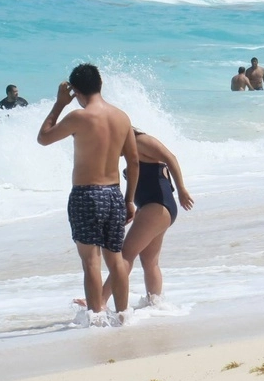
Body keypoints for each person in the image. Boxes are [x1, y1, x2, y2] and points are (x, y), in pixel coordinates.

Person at [36, 63, 138, 326]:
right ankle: (124, 316)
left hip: (86, 194)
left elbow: (44, 138)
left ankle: (97, 319)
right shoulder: (122, 117)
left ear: (76, 91)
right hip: (114, 193)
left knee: (91, 261)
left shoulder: (78, 117)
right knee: (115, 259)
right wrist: (129, 200)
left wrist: (59, 104)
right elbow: (134, 163)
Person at [97, 130, 194, 309]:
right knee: (149, 261)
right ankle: (155, 304)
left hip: (158, 206)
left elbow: (170, 158)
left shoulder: (140, 141)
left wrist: (181, 190)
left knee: (125, 255)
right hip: (153, 208)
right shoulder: (130, 151)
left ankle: (100, 301)